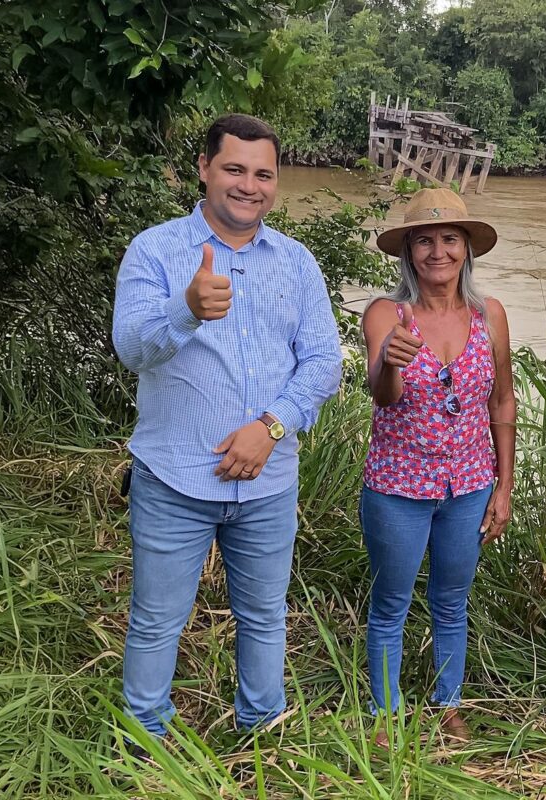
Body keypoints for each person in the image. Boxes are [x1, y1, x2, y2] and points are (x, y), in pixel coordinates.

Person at [112, 114, 342, 743]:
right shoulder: (155, 250)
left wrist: (272, 426)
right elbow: (130, 348)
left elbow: (324, 362)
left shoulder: (297, 263)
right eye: (234, 169)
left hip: (268, 484)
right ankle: (144, 743)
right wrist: (184, 310)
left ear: (276, 181)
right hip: (173, 480)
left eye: (263, 174)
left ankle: (261, 735)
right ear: (204, 169)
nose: (249, 185)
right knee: (156, 621)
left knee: (265, 617)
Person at [359, 188, 516, 743]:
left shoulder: (489, 314)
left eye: (450, 238)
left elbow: (502, 401)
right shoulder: (387, 313)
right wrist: (389, 362)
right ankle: (385, 712)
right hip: (398, 485)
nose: (438, 251)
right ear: (409, 252)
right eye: (423, 241)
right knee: (391, 604)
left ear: (466, 248)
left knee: (452, 601)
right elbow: (383, 395)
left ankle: (448, 704)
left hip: (469, 485)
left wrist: (504, 487)